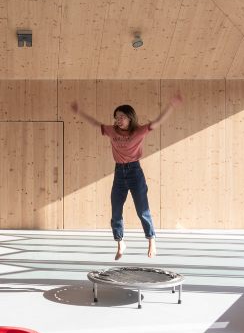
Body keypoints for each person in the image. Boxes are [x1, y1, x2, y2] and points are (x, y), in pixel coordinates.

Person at [68, 93, 182, 260]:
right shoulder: (111, 130)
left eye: (121, 117)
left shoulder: (139, 131)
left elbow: (157, 122)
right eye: (116, 117)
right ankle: (120, 241)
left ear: (130, 118)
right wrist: (79, 112)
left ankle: (151, 239)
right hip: (119, 173)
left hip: (135, 172)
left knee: (142, 210)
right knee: (116, 209)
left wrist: (170, 106)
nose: (118, 120)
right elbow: (94, 123)